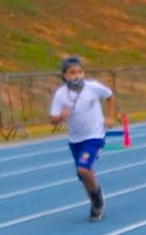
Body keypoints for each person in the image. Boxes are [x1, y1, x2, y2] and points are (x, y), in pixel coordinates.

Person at [49, 56, 116, 222]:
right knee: (85, 175)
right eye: (72, 73)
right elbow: (53, 118)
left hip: (94, 135)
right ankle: (94, 202)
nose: (77, 75)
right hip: (75, 139)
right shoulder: (61, 94)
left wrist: (109, 117)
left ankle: (98, 199)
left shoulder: (92, 87)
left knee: (83, 169)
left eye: (79, 71)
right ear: (64, 76)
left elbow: (110, 95)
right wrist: (60, 117)